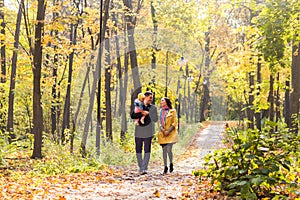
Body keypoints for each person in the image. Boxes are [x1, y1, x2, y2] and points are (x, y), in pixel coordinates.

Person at [130, 91, 158, 175]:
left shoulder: (153, 108)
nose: (151, 99)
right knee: (138, 149)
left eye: (152, 98)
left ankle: (145, 167)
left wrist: (148, 114)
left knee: (147, 149)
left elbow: (155, 119)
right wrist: (142, 113)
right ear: (145, 97)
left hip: (148, 132)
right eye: (150, 97)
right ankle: (140, 166)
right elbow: (132, 116)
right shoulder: (138, 105)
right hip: (138, 131)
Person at [157, 97, 178, 174]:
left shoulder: (173, 111)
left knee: (169, 150)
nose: (161, 102)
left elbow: (175, 122)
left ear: (166, 102)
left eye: (162, 100)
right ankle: (165, 166)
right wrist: (163, 130)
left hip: (170, 133)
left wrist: (168, 131)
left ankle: (171, 163)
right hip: (162, 133)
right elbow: (159, 123)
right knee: (164, 150)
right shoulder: (160, 111)